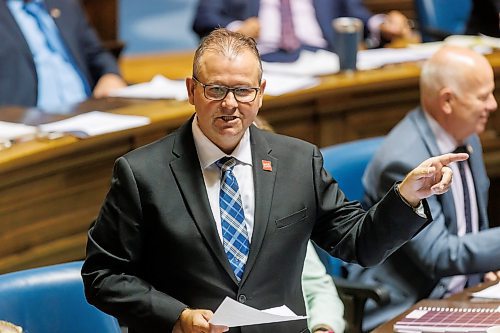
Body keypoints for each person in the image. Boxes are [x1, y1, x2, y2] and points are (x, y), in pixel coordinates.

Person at [81, 28, 466, 333]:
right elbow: (103, 275)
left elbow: (357, 243)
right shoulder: (141, 173)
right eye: (216, 90)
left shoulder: (298, 161)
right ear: (191, 91)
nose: (230, 104)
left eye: (243, 90)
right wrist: (176, 317)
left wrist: (406, 196)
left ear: (261, 94)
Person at [347, 45, 500, 332]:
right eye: (483, 97)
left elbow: (472, 227)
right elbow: (439, 256)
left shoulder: (467, 135)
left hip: (463, 294)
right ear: (447, 101)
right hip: (410, 304)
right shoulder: (404, 161)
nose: (492, 105)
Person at [0, 0, 126, 111]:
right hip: (27, 122)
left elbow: (96, 52)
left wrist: (110, 75)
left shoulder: (65, 4)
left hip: (89, 111)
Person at [192, 0, 412, 61]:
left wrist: (382, 25)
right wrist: (236, 31)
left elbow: (357, 16)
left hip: (322, 61)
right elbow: (204, 19)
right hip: (261, 60)